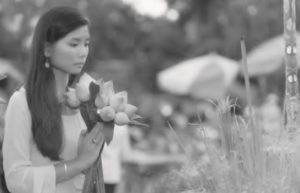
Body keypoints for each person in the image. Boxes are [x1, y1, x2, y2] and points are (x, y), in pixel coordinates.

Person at [2, 7, 109, 193]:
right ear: (47, 49)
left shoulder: (86, 103)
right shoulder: (22, 102)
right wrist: (79, 163)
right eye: (74, 44)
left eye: (86, 43)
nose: (83, 52)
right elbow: (15, 180)